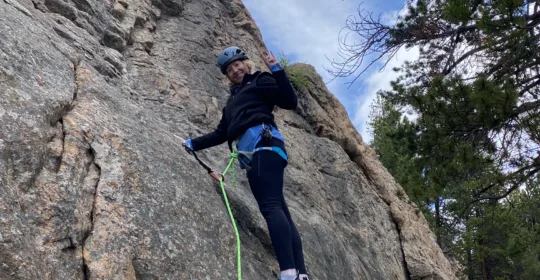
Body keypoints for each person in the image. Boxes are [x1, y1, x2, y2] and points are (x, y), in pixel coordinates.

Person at [182, 46, 310, 280]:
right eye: (229, 69)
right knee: (280, 210)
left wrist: (275, 69)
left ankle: (288, 273)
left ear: (246, 63)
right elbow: (221, 134)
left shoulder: (260, 81)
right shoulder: (231, 104)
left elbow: (289, 101)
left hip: (265, 146)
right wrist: (192, 143)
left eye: (237, 64)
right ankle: (301, 274)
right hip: (254, 154)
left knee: (270, 207)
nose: (235, 70)